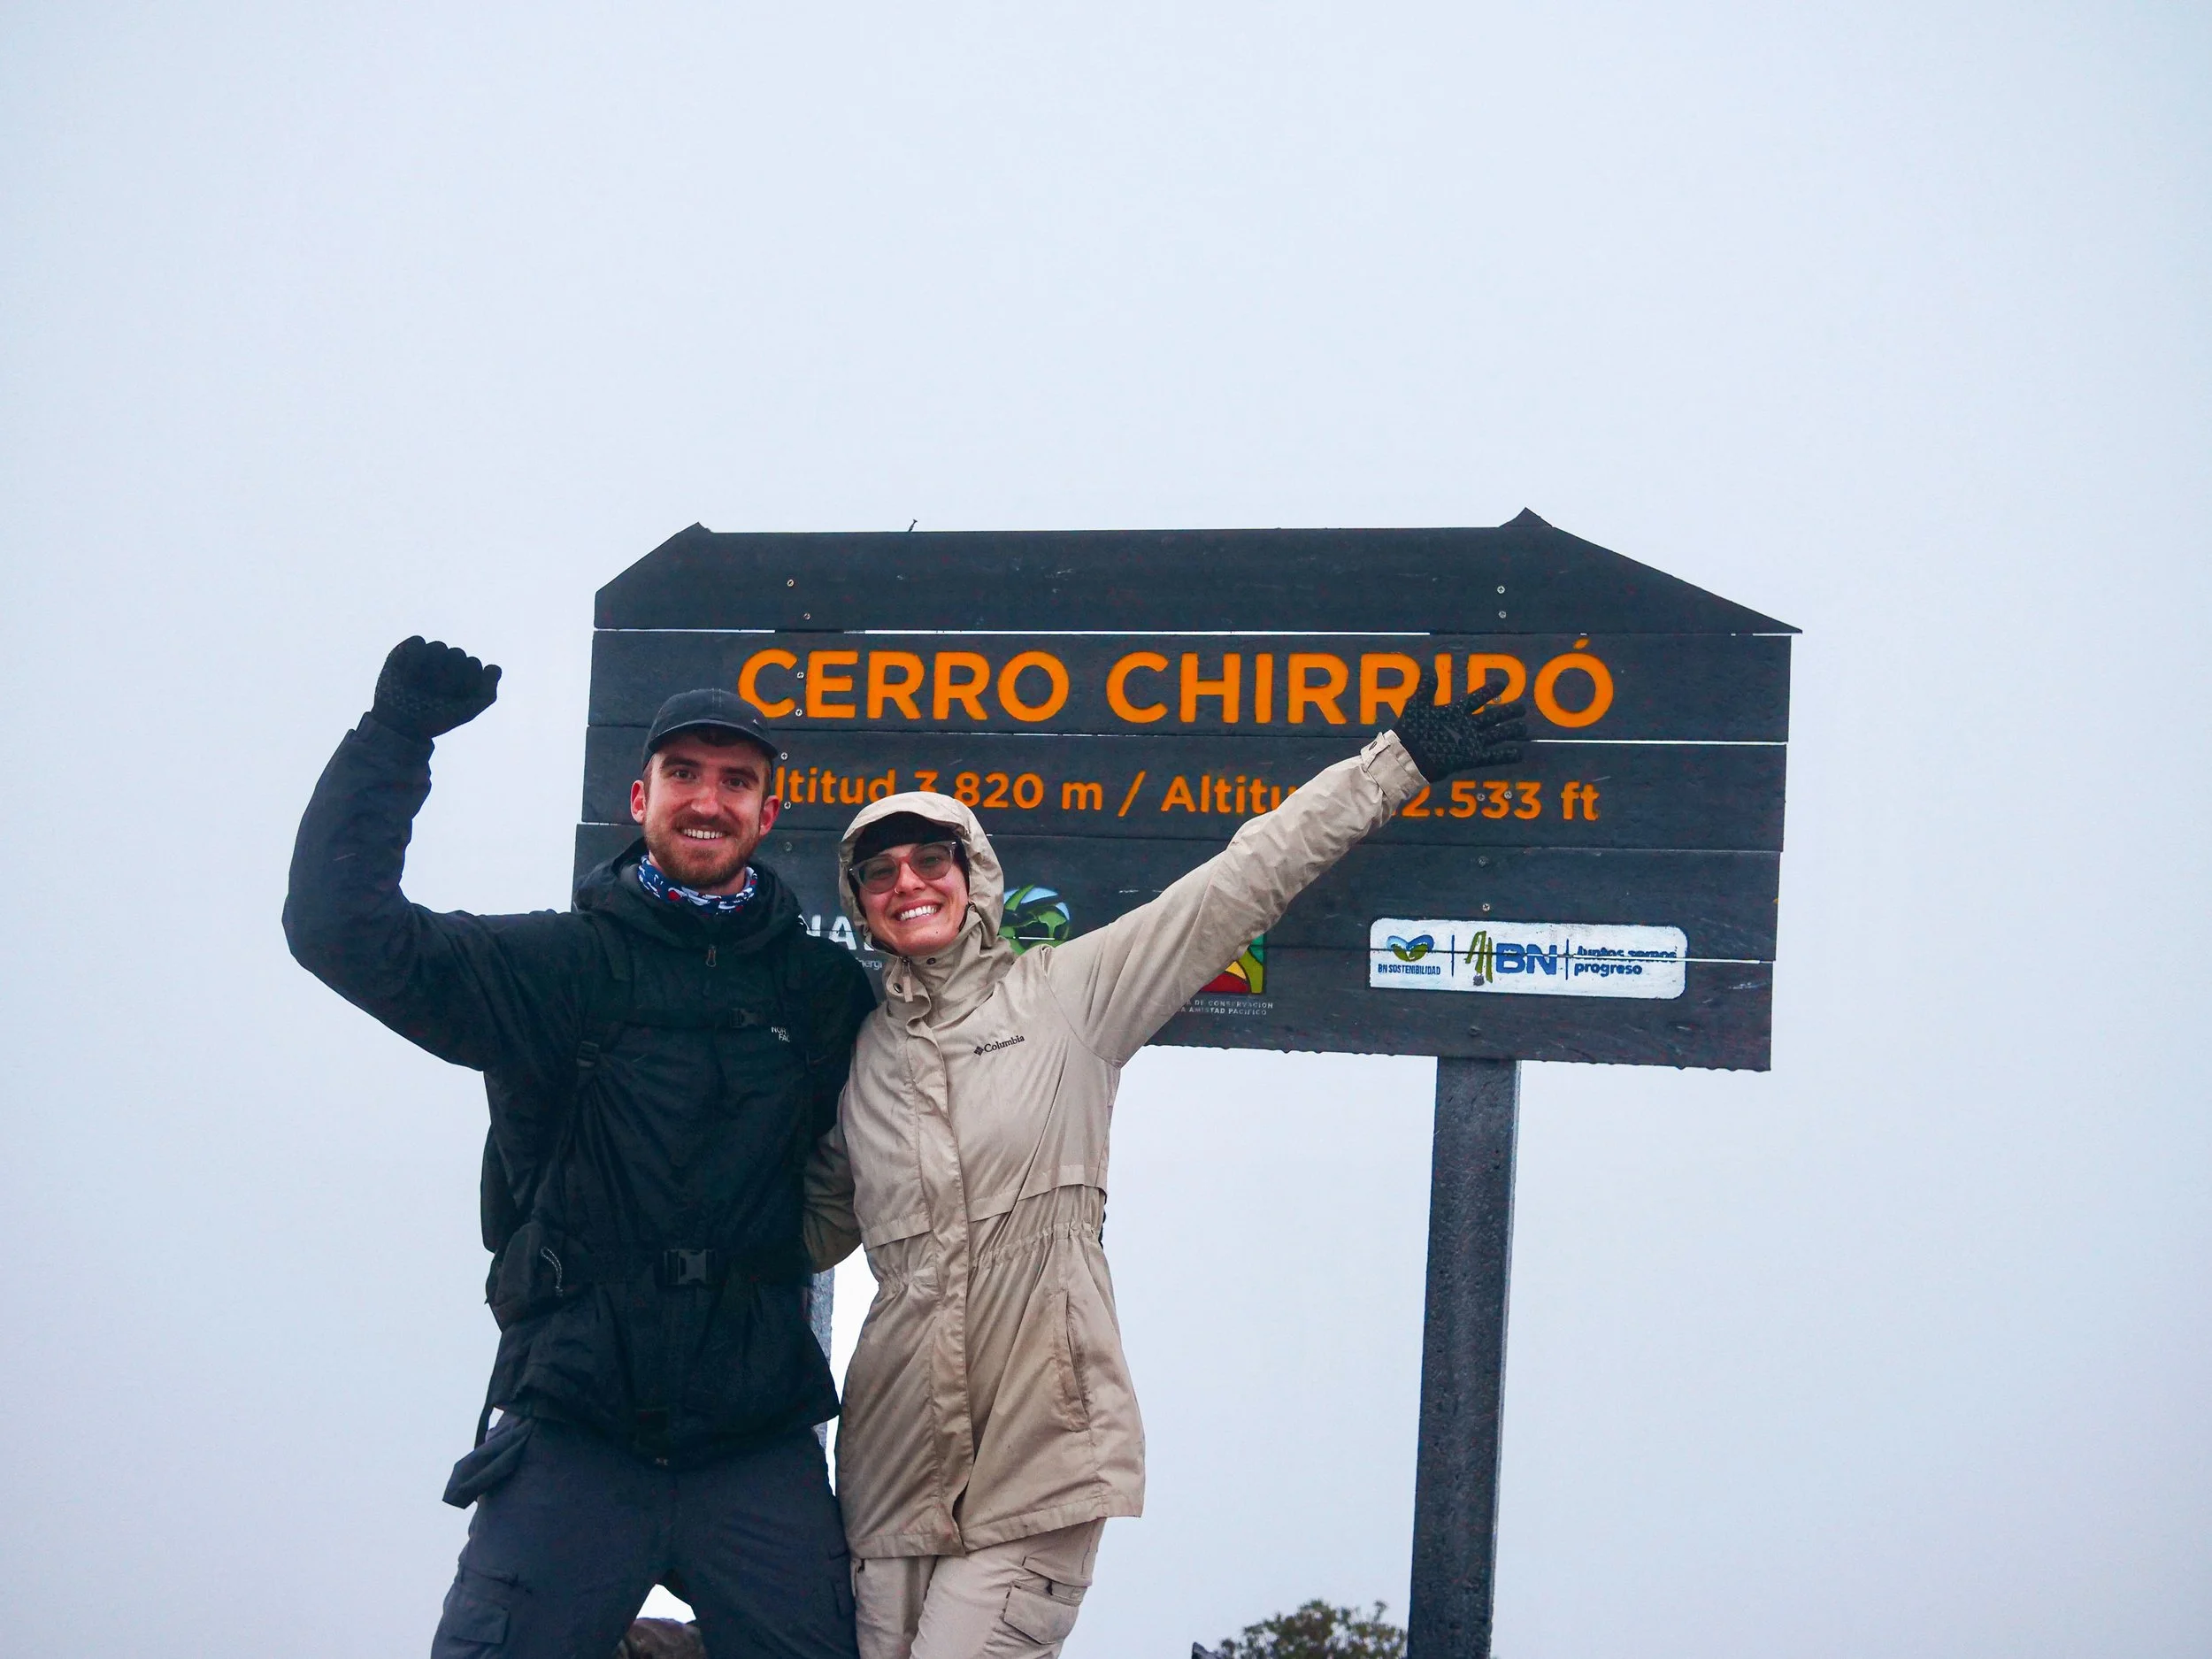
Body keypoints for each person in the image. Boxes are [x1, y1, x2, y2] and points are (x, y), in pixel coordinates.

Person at [803, 674, 1528, 1659]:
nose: (907, 884)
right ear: (860, 905)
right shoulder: (863, 1059)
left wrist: (1396, 763)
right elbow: (796, 1227)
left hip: (1038, 1450)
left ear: (974, 875)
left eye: (931, 859)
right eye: (879, 873)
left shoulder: (1069, 994)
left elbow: (1239, 883)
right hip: (889, 1477)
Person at [284, 638, 878, 1659]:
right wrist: (395, 738)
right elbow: (338, 928)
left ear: (768, 815)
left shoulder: (824, 995)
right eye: (683, 774)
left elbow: (959, 1069)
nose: (708, 798)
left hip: (755, 1441)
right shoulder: (553, 965)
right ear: (637, 800)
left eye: (737, 782)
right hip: (574, 1428)